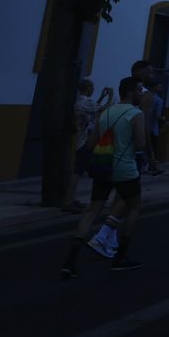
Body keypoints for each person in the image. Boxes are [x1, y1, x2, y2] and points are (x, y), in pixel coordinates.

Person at [60, 76, 146, 277]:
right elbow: (141, 144)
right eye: (140, 90)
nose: (142, 94)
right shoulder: (136, 114)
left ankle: (70, 261)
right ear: (131, 92)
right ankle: (121, 256)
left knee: (92, 211)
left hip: (103, 168)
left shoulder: (106, 112)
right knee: (134, 207)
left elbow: (91, 143)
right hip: (125, 169)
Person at [66, 78, 101, 210]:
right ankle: (69, 201)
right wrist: (109, 97)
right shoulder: (85, 102)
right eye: (92, 88)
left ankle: (71, 199)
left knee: (85, 170)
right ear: (87, 89)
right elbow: (102, 109)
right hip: (85, 141)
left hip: (84, 141)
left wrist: (102, 97)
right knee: (78, 171)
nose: (93, 90)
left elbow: (93, 110)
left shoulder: (81, 103)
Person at [131, 62, 166, 177]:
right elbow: (144, 122)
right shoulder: (146, 95)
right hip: (133, 144)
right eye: (149, 71)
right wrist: (149, 150)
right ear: (139, 71)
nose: (151, 75)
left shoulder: (124, 86)